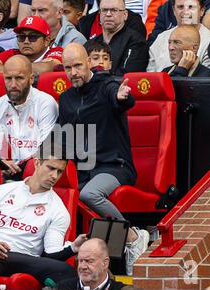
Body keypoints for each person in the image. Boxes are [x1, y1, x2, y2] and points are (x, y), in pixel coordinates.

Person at [59, 43, 149, 276]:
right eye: (68, 68)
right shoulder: (66, 98)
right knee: (59, 194)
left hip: (115, 165)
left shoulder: (106, 85)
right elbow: (63, 137)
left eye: (78, 65)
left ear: (89, 62)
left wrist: (122, 97)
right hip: (84, 168)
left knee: (90, 194)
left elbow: (120, 98)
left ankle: (133, 237)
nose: (74, 73)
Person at [0, 144, 88, 289]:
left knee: (66, 271)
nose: (54, 176)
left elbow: (50, 253)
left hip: (24, 259)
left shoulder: (59, 210)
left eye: (59, 171)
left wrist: (72, 248)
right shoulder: (2, 190)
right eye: (51, 168)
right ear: (36, 163)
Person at [0, 55, 58, 179]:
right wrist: (2, 163)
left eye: (19, 78)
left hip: (37, 171)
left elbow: (45, 148)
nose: (13, 84)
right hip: (7, 171)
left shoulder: (46, 103)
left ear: (31, 79)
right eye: (8, 78)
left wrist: (17, 167)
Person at [0, 16, 64, 75]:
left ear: (47, 41)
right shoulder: (13, 53)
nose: (26, 41)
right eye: (22, 37)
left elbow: (44, 69)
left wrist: (7, 68)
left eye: (32, 37)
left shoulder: (56, 51)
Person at [147, 0, 210, 72]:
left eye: (191, 7)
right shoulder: (161, 38)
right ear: (174, 10)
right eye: (180, 7)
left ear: (202, 11)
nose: (186, 12)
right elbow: (150, 75)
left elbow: (203, 77)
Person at [86, 0, 149, 76]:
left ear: (125, 15)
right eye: (104, 10)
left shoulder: (137, 43)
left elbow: (127, 77)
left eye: (114, 10)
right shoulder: (90, 44)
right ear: (99, 14)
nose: (108, 14)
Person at [56, 238, 128, 290]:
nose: (83, 267)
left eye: (89, 261)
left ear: (105, 263)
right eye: (80, 261)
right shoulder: (61, 287)